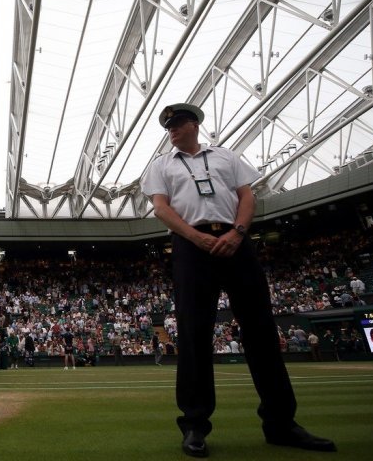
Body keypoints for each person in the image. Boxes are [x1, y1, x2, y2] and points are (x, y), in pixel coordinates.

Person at [142, 103, 336, 457]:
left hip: (236, 242)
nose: (172, 129)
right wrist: (195, 238)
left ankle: (281, 424)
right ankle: (195, 426)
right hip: (191, 245)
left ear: (195, 124)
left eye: (178, 123)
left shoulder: (225, 157)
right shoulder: (161, 164)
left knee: (261, 330)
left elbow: (248, 196)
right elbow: (161, 208)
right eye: (168, 126)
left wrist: (238, 233)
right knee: (194, 334)